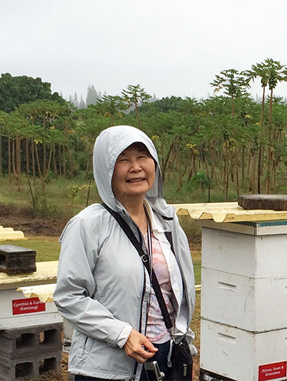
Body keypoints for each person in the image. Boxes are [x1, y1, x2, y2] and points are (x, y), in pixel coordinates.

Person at [54, 125, 196, 380]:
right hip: (108, 368)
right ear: (106, 168)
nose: (136, 167)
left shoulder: (166, 221)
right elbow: (69, 296)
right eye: (123, 159)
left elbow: (178, 292)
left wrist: (182, 339)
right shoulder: (88, 225)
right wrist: (122, 335)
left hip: (164, 358)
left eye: (143, 156)